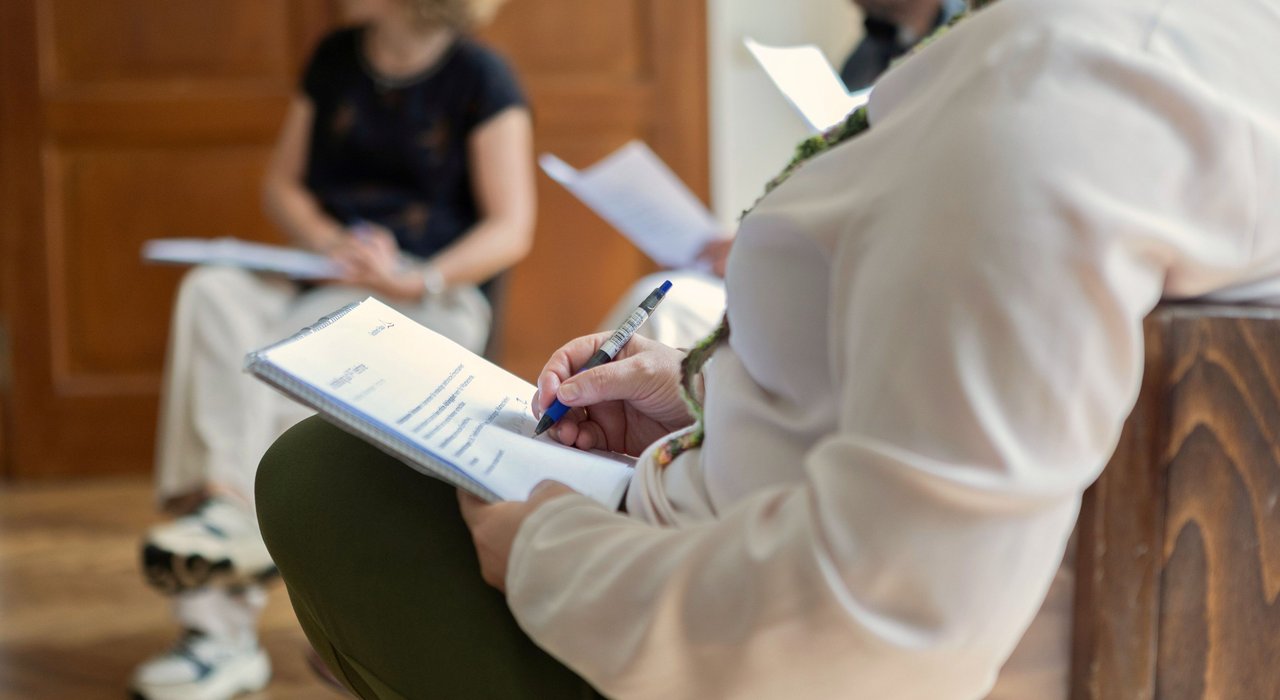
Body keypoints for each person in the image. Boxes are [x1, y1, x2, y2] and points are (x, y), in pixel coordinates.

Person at [255, 0, 1280, 697]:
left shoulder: (1038, 107)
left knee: (331, 477)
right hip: (749, 536)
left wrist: (544, 551)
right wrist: (695, 408)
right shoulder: (1167, 50)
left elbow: (874, 627)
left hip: (745, 638)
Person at [130, 0, 533, 697]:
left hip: (426, 293)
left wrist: (414, 275)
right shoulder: (335, 57)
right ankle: (224, 520)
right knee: (213, 290)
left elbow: (510, 227)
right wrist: (329, 243)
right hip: (324, 270)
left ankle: (222, 626)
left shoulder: (483, 79)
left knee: (297, 352)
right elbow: (282, 185)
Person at [601, 0, 966, 352]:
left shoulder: (968, 51)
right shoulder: (868, 56)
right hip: (824, 274)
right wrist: (754, 244)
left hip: (886, 286)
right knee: (662, 302)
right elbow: (831, 186)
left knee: (670, 310)